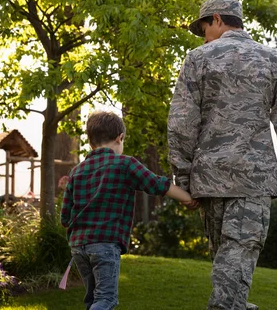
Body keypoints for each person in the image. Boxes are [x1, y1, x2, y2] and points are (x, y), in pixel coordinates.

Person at [168, 0, 277, 310]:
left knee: (227, 262)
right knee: (236, 262)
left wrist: (183, 174)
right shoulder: (274, 60)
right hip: (253, 179)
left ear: (217, 19)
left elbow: (181, 121)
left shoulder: (196, 59)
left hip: (209, 178)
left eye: (204, 29)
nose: (203, 38)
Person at [61, 111, 193, 310]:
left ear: (90, 142)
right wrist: (188, 199)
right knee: (106, 300)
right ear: (119, 138)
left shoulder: (76, 171)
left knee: (93, 300)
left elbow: (65, 217)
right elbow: (156, 184)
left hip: (78, 248)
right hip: (105, 244)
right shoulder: (125, 164)